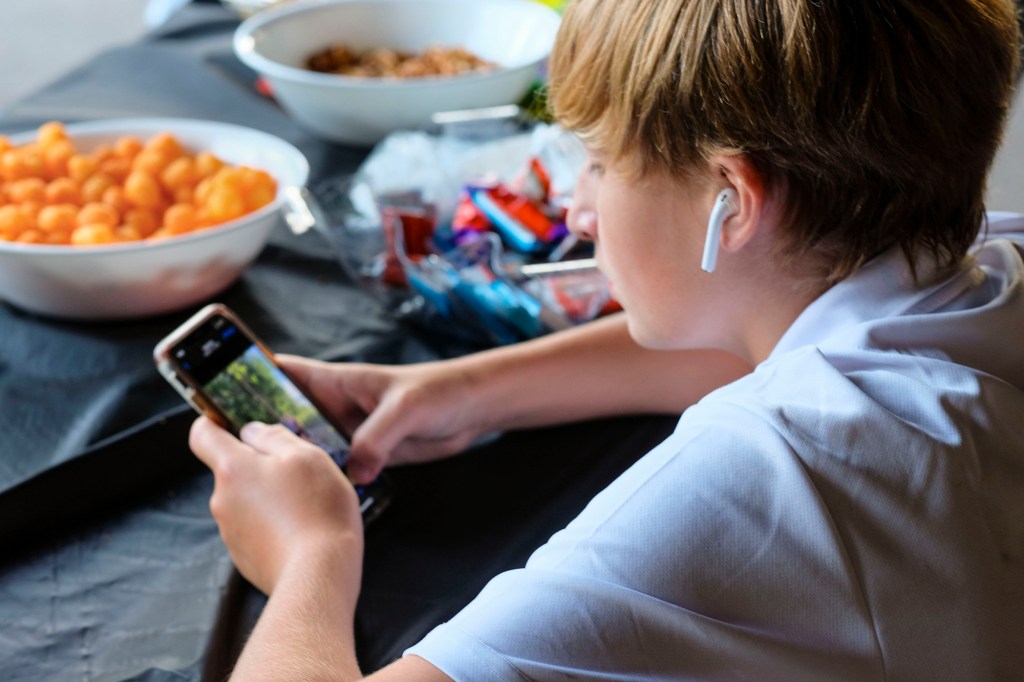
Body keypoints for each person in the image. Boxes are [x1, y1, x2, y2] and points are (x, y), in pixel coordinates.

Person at [189, 0, 1024, 678]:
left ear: (731, 199)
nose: (578, 211)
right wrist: (458, 392)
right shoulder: (994, 260)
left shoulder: (769, 475)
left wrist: (311, 553)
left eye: (597, 162)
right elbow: (753, 344)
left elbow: (785, 420)